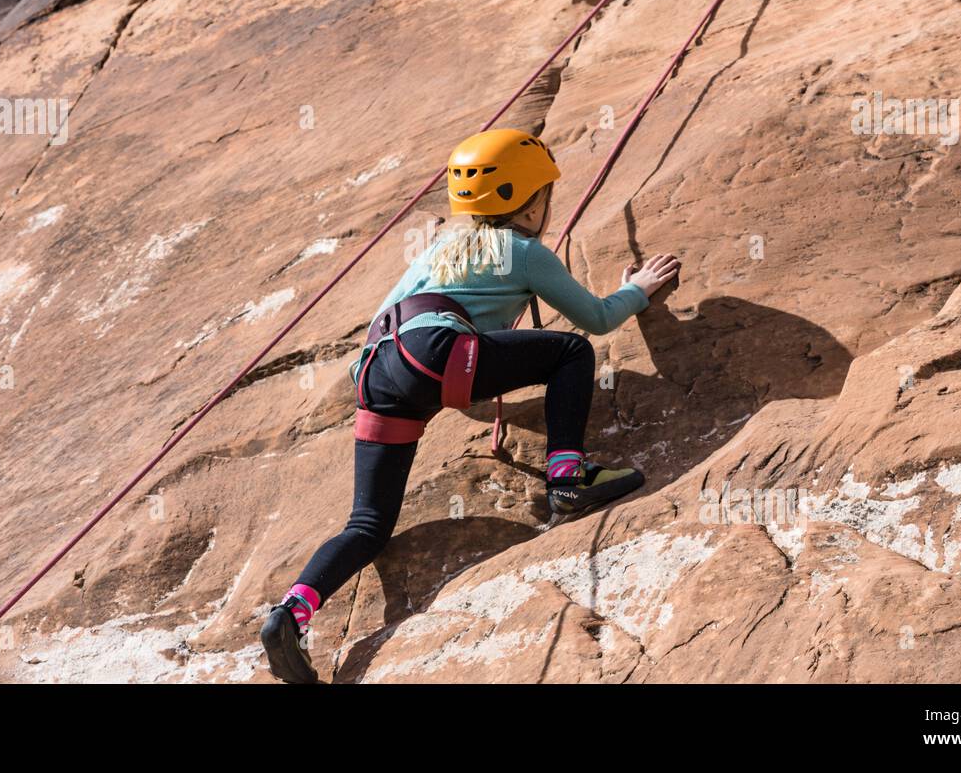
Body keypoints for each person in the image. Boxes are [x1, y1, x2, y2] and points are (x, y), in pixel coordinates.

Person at [261, 128, 681, 683]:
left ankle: (292, 612)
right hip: (439, 352)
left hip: (378, 374)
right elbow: (597, 320)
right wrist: (640, 289)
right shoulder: (524, 250)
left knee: (368, 523)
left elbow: (414, 347)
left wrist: (456, 378)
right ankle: (568, 476)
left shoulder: (439, 251)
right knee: (571, 352)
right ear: (533, 201)